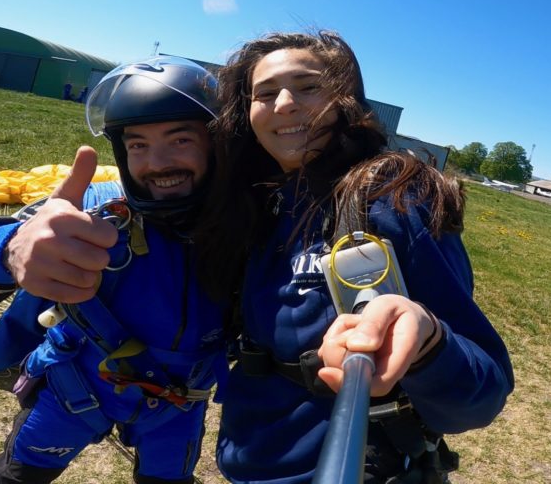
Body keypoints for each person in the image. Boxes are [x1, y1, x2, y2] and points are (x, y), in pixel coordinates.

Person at [195, 31, 514, 483]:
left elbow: (482, 395)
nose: (284, 103)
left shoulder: (389, 200)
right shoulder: (255, 202)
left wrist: (426, 344)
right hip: (249, 461)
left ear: (346, 100)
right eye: (265, 93)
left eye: (308, 86)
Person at [0, 56, 232, 484]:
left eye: (179, 141)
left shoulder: (248, 227)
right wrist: (9, 249)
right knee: (14, 477)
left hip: (177, 405)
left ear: (215, 144)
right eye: (137, 145)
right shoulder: (100, 208)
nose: (157, 163)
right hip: (77, 389)